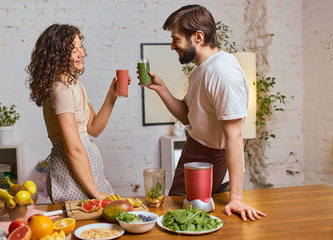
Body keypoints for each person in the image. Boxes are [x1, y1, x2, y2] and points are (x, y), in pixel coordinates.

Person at [146, 5, 266, 221]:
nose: (172, 46)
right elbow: (187, 116)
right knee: (175, 220)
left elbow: (235, 137)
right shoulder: (199, 70)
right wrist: (161, 88)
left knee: (196, 224)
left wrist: (236, 198)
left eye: (176, 39)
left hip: (211, 161)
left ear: (198, 37)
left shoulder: (224, 73)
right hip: (192, 153)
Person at [26, 24, 128, 203]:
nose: (81, 53)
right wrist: (95, 192)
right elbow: (73, 148)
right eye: (74, 50)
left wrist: (112, 97)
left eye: (81, 47)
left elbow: (93, 128)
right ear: (57, 55)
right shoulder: (61, 90)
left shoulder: (74, 85)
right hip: (71, 172)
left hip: (85, 171)